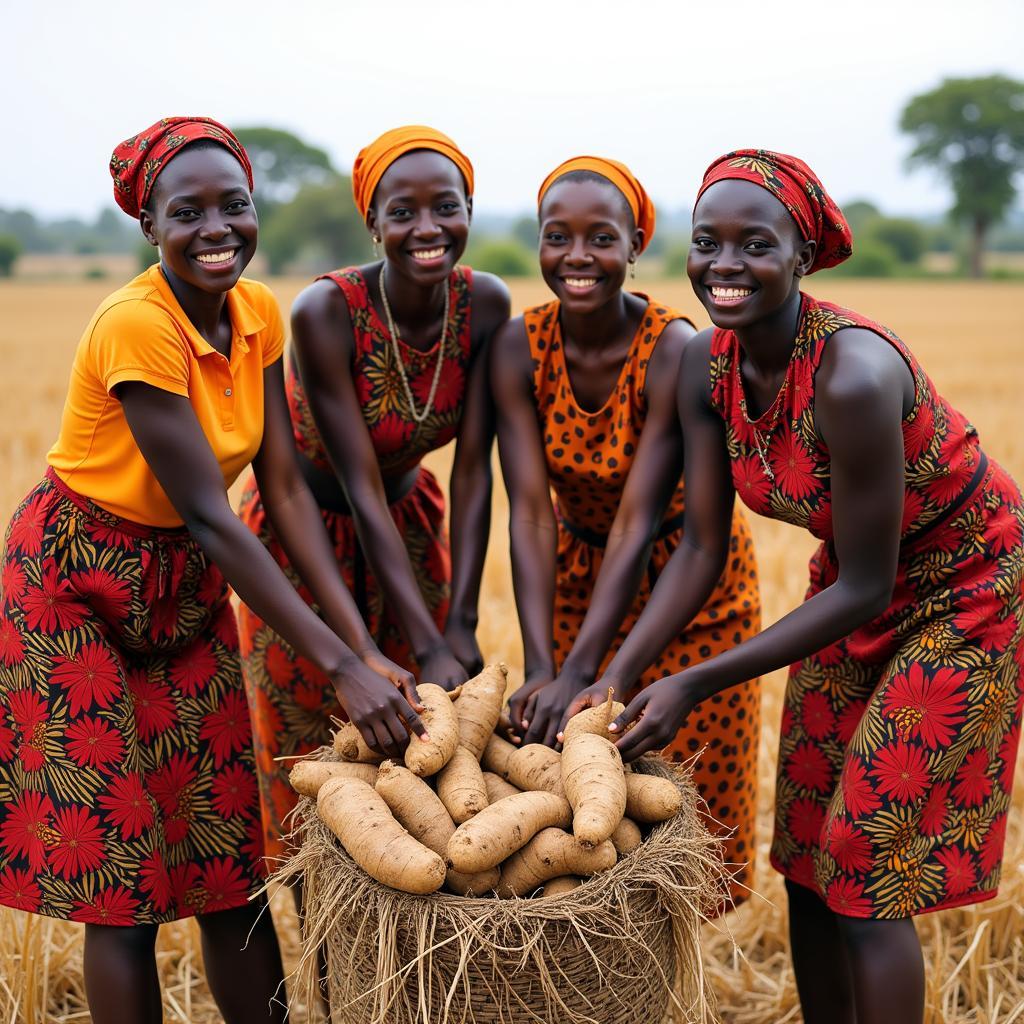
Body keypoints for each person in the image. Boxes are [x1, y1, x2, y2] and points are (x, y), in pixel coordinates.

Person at [567, 149, 1024, 1024]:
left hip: (962, 587)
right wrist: (618, 673)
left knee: (865, 865)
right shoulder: (705, 363)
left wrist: (698, 679)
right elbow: (700, 546)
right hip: (853, 578)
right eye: (708, 243)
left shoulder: (852, 375)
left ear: (802, 257)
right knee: (807, 848)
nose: (724, 266)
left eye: (756, 244)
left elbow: (866, 585)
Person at [0, 117, 427, 1024]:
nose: (216, 229)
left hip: (184, 593)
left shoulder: (257, 313)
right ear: (150, 226)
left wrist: (357, 645)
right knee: (125, 891)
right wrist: (342, 669)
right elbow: (208, 511)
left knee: (228, 866)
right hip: (73, 591)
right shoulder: (135, 326)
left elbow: (281, 486)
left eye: (233, 205)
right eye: (186, 212)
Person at [493, 156, 762, 900]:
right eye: (558, 236)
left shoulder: (672, 347)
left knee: (692, 802)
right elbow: (529, 511)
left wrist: (589, 670)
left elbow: (638, 520)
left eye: (601, 237)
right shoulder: (520, 346)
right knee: (592, 804)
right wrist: (548, 661)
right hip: (582, 577)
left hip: (687, 583)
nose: (577, 256)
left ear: (636, 244)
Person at [238, 125, 509, 861]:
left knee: (419, 745)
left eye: (445, 207)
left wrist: (457, 623)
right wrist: (412, 639)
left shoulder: (484, 304)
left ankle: (403, 944)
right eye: (403, 212)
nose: (427, 229)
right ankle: (321, 950)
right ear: (373, 223)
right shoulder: (327, 312)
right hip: (306, 538)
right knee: (308, 753)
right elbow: (357, 485)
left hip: (411, 528)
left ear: (469, 210)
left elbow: (475, 469)